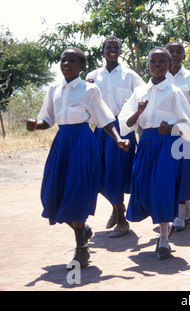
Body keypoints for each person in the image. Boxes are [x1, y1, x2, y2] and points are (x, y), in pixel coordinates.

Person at [26, 47, 130, 269]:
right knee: (51, 193)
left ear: (82, 66)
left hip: (82, 142)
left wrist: (118, 139)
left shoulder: (89, 90)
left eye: (72, 60)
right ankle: (82, 229)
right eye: (63, 60)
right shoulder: (54, 89)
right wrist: (36, 125)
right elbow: (48, 120)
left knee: (75, 193)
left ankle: (81, 250)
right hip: (62, 141)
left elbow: (104, 119)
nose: (66, 64)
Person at [118, 47, 190, 260]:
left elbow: (188, 126)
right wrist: (138, 112)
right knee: (142, 186)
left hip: (168, 145)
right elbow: (125, 124)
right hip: (146, 143)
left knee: (162, 187)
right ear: (147, 64)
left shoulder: (174, 92)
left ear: (169, 66)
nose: (157, 65)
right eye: (153, 61)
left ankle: (163, 240)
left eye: (162, 62)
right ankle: (164, 224)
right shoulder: (139, 92)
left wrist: (170, 128)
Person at [86, 36, 145, 237]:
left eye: (116, 47)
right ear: (102, 51)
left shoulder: (130, 75)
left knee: (115, 172)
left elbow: (145, 94)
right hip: (101, 128)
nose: (112, 50)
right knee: (96, 174)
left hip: (122, 127)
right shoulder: (93, 76)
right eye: (108, 47)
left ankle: (122, 220)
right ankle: (116, 207)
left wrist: (134, 103)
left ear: (121, 51)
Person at [165, 40, 190, 232]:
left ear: (184, 56)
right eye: (170, 51)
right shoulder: (158, 76)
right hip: (164, 130)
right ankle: (187, 209)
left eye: (178, 52)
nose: (174, 54)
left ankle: (180, 214)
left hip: (186, 128)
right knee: (169, 170)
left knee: (186, 170)